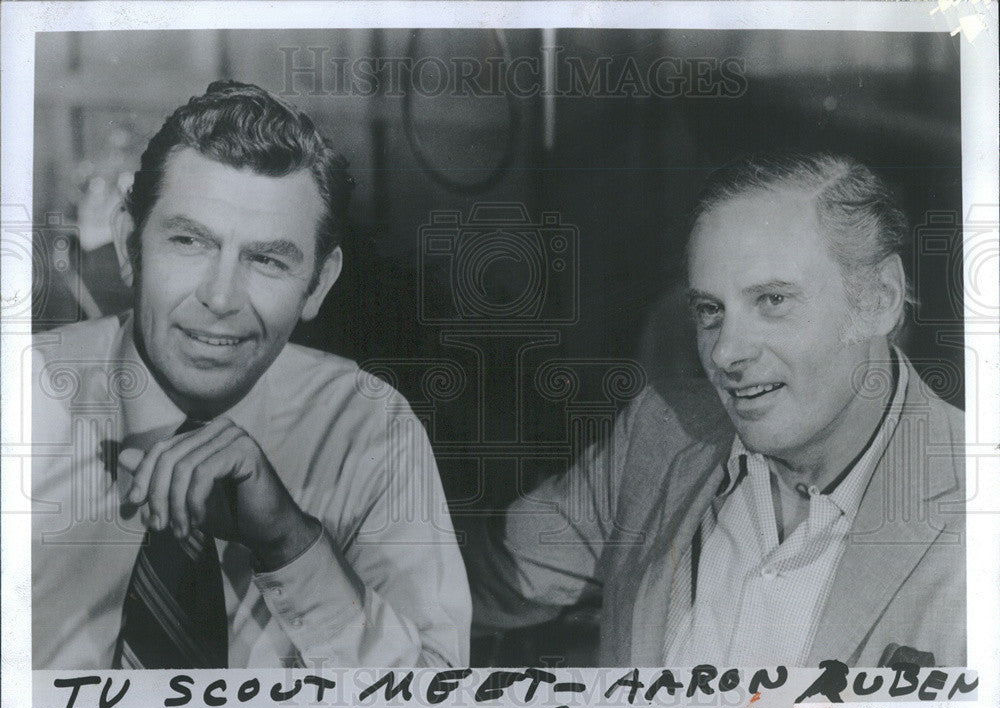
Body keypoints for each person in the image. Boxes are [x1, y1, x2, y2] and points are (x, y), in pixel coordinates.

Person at [32, 81, 470, 669]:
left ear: (317, 284)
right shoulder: (22, 396)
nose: (220, 297)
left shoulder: (366, 424)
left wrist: (290, 541)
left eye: (266, 260)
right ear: (130, 248)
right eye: (189, 242)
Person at [471, 152, 965, 667]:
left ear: (880, 298)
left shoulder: (976, 500)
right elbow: (473, 584)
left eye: (772, 301)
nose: (726, 353)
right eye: (710, 310)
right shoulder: (663, 432)